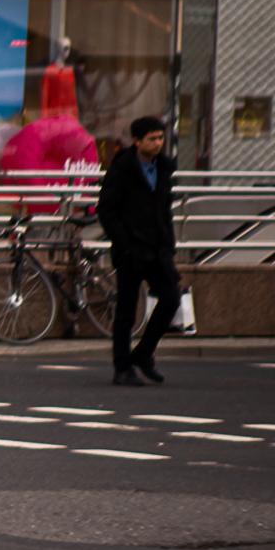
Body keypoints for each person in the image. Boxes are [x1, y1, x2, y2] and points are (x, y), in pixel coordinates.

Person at [97, 114, 180, 385]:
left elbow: (165, 210)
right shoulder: (122, 169)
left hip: (157, 248)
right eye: (152, 139)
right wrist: (125, 245)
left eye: (160, 137)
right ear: (136, 141)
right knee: (126, 310)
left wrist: (169, 244)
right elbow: (106, 209)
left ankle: (143, 353)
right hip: (132, 249)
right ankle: (122, 367)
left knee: (171, 298)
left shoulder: (163, 168)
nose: (158, 143)